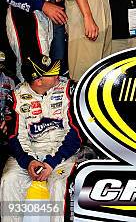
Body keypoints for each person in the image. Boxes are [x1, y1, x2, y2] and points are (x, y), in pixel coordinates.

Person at [0, 55, 82, 222]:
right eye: (52, 73)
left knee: (59, 185)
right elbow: (14, 137)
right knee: (8, 181)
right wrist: (28, 161)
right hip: (29, 153)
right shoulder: (16, 96)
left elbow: (76, 133)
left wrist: (52, 162)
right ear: (37, 80)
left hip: (62, 154)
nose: (58, 75)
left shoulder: (69, 90)